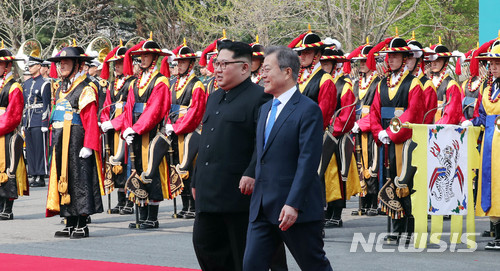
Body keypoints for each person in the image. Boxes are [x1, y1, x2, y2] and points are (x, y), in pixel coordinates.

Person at [242, 45, 332, 271]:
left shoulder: (307, 110)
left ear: (287, 72)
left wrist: (293, 203)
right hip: (262, 207)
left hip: (293, 210)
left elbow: (308, 161)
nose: (262, 75)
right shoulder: (265, 110)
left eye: (267, 69)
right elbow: (262, 153)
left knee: (313, 265)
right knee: (251, 265)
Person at [191, 41, 269, 271]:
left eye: (224, 64)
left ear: (245, 68)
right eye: (216, 63)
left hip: (237, 194)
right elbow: (206, 141)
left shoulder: (259, 97)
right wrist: (196, 179)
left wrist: (252, 172)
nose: (217, 68)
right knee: (204, 246)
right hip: (207, 191)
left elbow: (262, 143)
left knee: (240, 255)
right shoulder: (214, 97)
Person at [368, 37, 425, 243]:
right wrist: (379, 131)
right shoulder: (382, 82)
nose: (390, 60)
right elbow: (374, 111)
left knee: (406, 182)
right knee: (389, 180)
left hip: (405, 142)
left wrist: (391, 132)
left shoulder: (414, 83)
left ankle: (409, 227)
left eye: (395, 56)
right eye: (389, 56)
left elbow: (413, 113)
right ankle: (393, 226)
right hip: (386, 140)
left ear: (405, 58)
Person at [111, 36, 171, 229]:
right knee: (136, 169)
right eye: (140, 56)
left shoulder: (160, 81)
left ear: (154, 58)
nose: (142, 59)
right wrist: (127, 128)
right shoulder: (136, 81)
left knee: (150, 170)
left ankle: (152, 217)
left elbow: (155, 110)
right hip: (135, 131)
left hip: (151, 132)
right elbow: (128, 106)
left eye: (145, 56)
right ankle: (141, 212)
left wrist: (136, 128)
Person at [45, 43, 103, 238]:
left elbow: (91, 119)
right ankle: (68, 220)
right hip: (61, 139)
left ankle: (81, 223)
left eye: (66, 62)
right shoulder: (61, 87)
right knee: (64, 178)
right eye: (61, 63)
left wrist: (89, 145)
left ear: (78, 65)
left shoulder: (86, 88)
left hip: (77, 139)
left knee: (79, 179)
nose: (62, 66)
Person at [463, 44, 500, 250]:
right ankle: (496, 230)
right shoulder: (487, 88)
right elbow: (481, 114)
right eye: (491, 64)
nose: (493, 68)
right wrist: (473, 122)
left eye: (497, 64)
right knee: (490, 181)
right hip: (489, 142)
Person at [165, 40, 207, 219]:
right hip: (174, 129)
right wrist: (168, 124)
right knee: (176, 166)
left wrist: (177, 127)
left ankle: (194, 205)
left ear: (191, 64)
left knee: (189, 167)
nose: (179, 65)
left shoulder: (197, 84)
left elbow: (196, 111)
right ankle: (184, 203)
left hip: (190, 132)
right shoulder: (173, 83)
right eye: (178, 62)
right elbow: (167, 106)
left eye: (183, 62)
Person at [318, 41, 357, 227]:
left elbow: (347, 114)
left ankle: (337, 213)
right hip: (325, 133)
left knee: (338, 174)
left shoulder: (344, 84)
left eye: (327, 64)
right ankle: (325, 211)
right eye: (322, 63)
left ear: (335, 65)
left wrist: (333, 130)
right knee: (323, 175)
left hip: (336, 135)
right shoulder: (322, 82)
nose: (323, 67)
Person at [100, 41, 136, 215]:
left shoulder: (133, 83)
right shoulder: (113, 84)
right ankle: (120, 200)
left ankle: (130, 200)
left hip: (125, 127)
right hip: (113, 130)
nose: (117, 66)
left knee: (127, 164)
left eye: (121, 63)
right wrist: (106, 121)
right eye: (115, 64)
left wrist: (115, 123)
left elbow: (129, 109)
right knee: (115, 165)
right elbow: (107, 105)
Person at [349, 43, 382, 216]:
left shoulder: (378, 82)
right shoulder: (357, 83)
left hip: (371, 129)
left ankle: (373, 202)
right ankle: (363, 203)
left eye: (364, 61)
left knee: (373, 165)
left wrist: (362, 124)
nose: (361, 64)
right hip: (356, 129)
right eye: (360, 61)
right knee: (359, 164)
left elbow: (376, 109)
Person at [0, 45, 28, 220]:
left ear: (8, 66)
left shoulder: (14, 86)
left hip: (7, 133)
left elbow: (14, 115)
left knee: (9, 168)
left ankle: (7, 207)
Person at [288, 29, 337, 129]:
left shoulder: (325, 79)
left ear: (318, 54)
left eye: (307, 52)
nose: (302, 56)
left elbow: (324, 113)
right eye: (301, 53)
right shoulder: (297, 76)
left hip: (312, 130)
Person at [22, 56, 51, 187]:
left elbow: (46, 105)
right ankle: (33, 174)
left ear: (39, 66)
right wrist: (23, 123)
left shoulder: (45, 83)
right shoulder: (26, 84)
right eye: (29, 65)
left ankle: (41, 175)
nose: (30, 67)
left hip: (39, 119)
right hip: (28, 119)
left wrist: (45, 123)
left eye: (32, 65)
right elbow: (24, 104)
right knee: (30, 149)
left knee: (40, 149)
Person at [426, 40, 464, 124]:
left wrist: (436, 127)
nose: (434, 63)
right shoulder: (428, 81)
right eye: (432, 60)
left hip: (441, 129)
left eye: (438, 61)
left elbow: (452, 114)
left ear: (446, 62)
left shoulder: (451, 85)